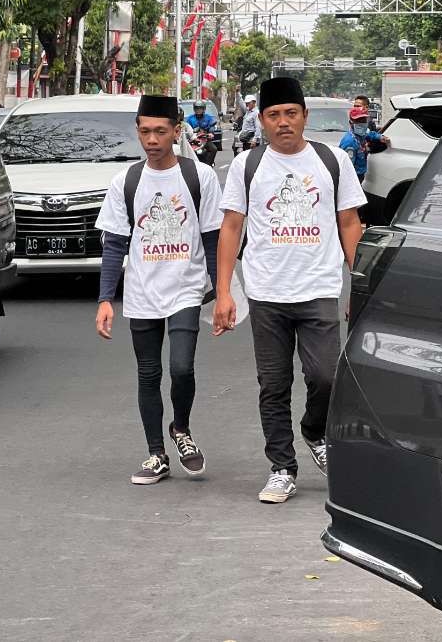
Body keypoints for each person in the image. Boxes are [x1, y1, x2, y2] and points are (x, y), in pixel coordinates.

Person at [213, 77, 365, 504]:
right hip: (266, 291)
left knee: (326, 376)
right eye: (274, 115)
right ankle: (281, 466)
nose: (283, 123)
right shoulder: (248, 165)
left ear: (304, 117)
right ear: (261, 120)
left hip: (318, 287)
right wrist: (224, 291)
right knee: (273, 384)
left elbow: (350, 223)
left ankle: (315, 431)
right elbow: (231, 227)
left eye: (290, 114)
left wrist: (359, 283)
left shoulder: (332, 160)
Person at [94, 94, 223, 485]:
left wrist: (223, 293)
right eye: (146, 131)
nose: (152, 139)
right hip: (141, 292)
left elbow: (214, 237)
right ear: (137, 131)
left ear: (176, 132)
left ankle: (180, 429)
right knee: (148, 374)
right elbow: (115, 243)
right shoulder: (126, 181)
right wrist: (104, 299)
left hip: (185, 287)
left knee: (181, 367)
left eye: (161, 132)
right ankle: (156, 453)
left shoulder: (199, 177)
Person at [339, 107, 390, 183]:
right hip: (354, 177)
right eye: (358, 121)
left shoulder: (361, 133)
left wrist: (380, 137)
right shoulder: (349, 142)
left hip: (361, 174)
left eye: (364, 120)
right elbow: (347, 168)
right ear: (351, 123)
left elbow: (369, 134)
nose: (362, 124)